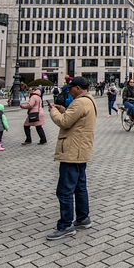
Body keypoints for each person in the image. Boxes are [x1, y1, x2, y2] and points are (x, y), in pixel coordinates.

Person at [46, 77, 97, 240]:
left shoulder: (80, 102)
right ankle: (83, 218)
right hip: (81, 150)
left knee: (64, 189)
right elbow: (74, 118)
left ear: (77, 88)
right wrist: (62, 108)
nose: (68, 91)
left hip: (72, 151)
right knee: (80, 186)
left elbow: (65, 122)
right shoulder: (89, 100)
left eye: (70, 88)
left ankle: (65, 225)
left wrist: (54, 111)